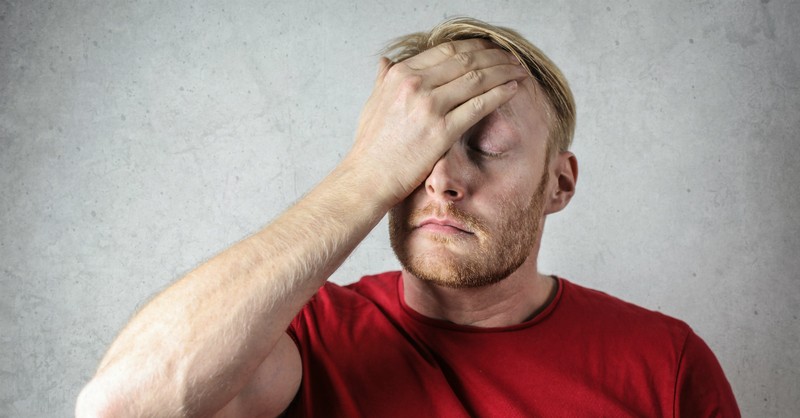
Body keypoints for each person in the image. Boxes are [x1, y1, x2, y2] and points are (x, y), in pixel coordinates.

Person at [76, 17, 739, 417]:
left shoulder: (664, 362)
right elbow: (117, 407)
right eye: (416, 153)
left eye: (488, 147)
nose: (443, 180)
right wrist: (363, 176)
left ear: (558, 184)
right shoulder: (302, 338)